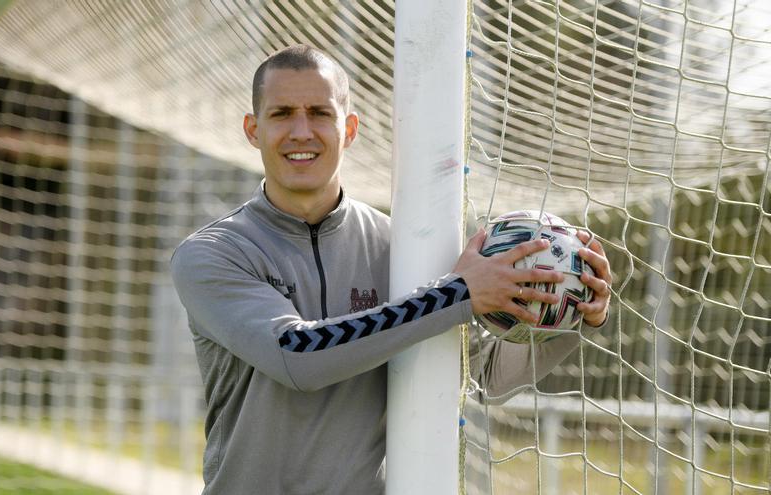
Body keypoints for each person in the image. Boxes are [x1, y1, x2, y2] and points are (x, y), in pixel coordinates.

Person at [171, 44, 612, 495]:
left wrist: (570, 313)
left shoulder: (401, 248)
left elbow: (488, 375)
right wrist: (459, 294)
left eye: (320, 113)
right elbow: (296, 356)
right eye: (282, 113)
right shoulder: (213, 254)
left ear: (350, 128)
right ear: (252, 129)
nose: (301, 131)